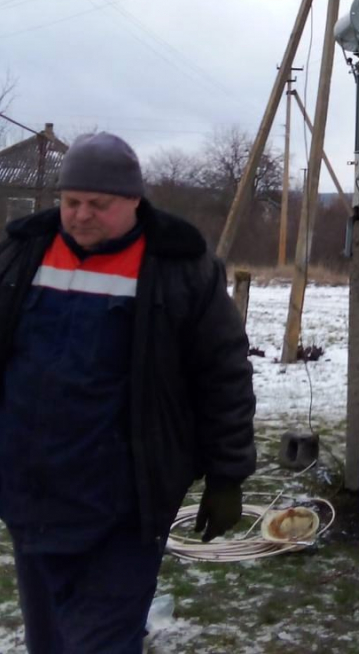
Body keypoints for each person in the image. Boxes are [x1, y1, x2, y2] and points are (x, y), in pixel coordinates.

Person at [0, 132, 256, 653]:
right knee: (47, 641)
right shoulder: (21, 254)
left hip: (125, 499)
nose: (81, 215)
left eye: (99, 204)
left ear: (134, 201)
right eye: (72, 202)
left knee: (102, 642)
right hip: (32, 491)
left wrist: (227, 474)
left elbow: (222, 375)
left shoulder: (179, 268)